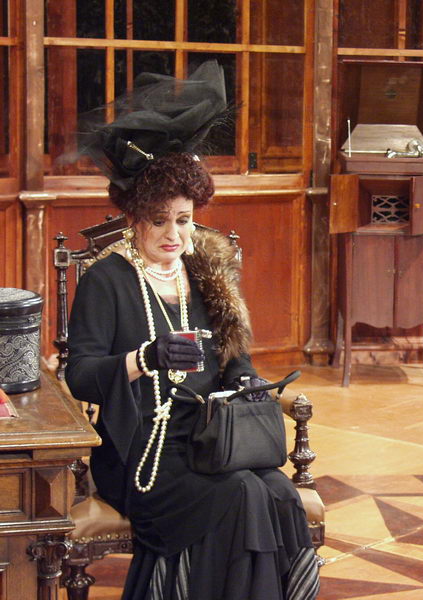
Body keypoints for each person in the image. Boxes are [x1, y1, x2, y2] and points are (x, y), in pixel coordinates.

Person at [65, 62, 319, 600]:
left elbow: (235, 357)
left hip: (212, 437)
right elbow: (80, 378)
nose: (174, 234)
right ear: (134, 218)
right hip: (143, 451)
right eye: (159, 220)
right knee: (239, 495)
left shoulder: (207, 271)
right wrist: (145, 359)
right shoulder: (106, 280)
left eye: (182, 219)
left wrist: (247, 381)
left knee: (276, 492)